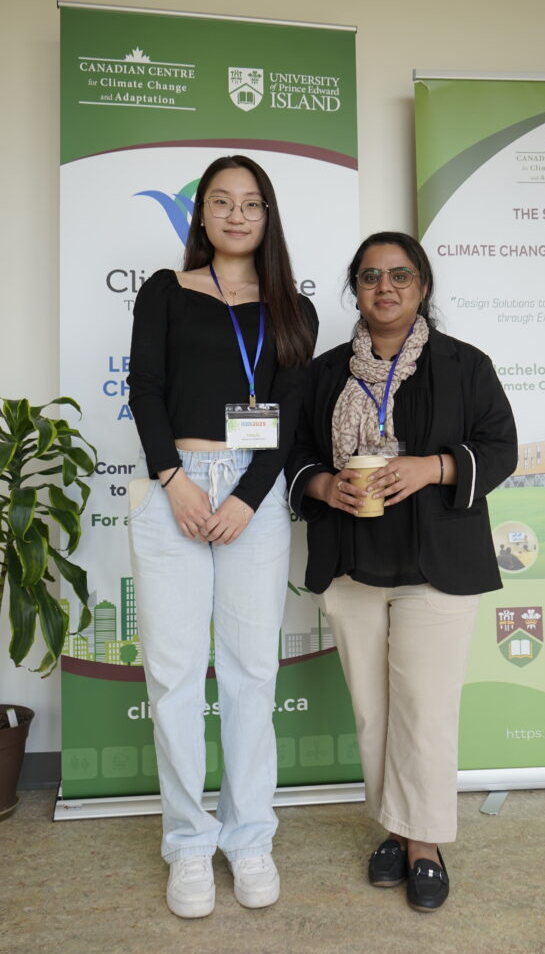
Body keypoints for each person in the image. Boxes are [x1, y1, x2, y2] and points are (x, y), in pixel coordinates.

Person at [286, 231, 517, 912]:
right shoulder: (324, 373)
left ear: (422, 286)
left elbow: (500, 448)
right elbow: (295, 453)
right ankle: (393, 826)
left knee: (425, 709)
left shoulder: (464, 364)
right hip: (351, 561)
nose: (383, 288)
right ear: (354, 290)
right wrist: (324, 486)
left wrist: (432, 467)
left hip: (436, 564)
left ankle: (422, 844)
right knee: (372, 710)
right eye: (369, 276)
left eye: (399, 275)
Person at [127, 155, 317, 917]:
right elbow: (145, 390)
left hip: (253, 497)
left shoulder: (291, 310)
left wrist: (244, 498)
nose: (237, 215)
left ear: (267, 217)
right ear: (201, 214)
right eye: (221, 201)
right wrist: (174, 481)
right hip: (173, 484)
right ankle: (187, 843)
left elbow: (287, 417)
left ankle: (248, 838)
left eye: (251, 203)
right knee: (174, 675)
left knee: (248, 674)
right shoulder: (165, 291)